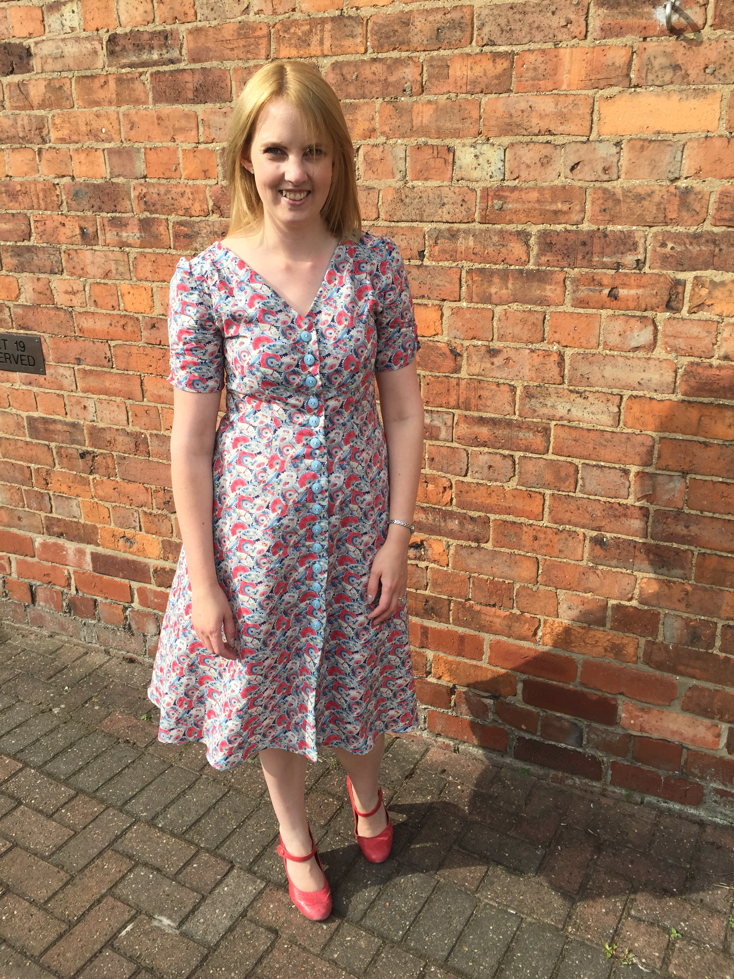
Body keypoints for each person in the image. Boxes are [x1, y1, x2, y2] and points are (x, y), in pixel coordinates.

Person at [147, 60, 424, 921]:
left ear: (336, 160)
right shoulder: (207, 281)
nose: (295, 171)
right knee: (271, 695)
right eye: (275, 151)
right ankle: (295, 836)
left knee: (358, 678)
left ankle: (368, 794)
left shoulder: (373, 268)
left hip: (357, 535)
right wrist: (204, 580)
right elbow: (191, 444)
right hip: (255, 546)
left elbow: (404, 412)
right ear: (246, 158)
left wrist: (397, 534)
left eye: (313, 151)